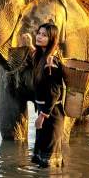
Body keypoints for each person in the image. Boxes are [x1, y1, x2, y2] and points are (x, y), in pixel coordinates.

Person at [21, 23, 65, 168]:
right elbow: (38, 59)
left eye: (44, 35)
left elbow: (54, 92)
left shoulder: (51, 62)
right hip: (45, 111)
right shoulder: (44, 57)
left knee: (50, 162)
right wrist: (30, 45)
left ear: (52, 39)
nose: (39, 36)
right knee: (43, 158)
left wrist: (42, 116)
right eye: (39, 33)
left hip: (51, 114)